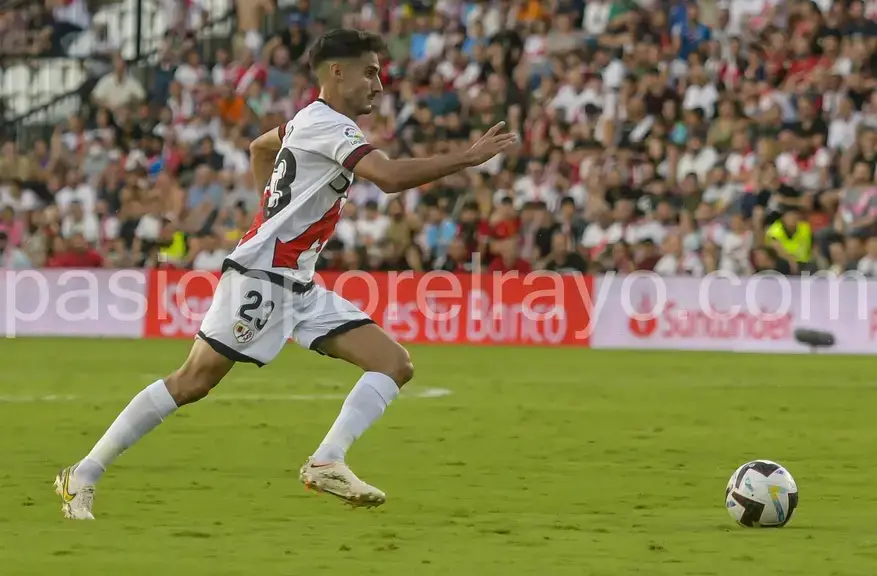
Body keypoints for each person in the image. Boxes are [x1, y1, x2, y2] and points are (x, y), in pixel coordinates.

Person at [54, 28, 517, 520]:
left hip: (298, 283)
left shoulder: (305, 120)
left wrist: (268, 216)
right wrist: (467, 157)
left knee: (394, 363)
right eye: (370, 72)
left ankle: (327, 461)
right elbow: (389, 178)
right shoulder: (330, 126)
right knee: (192, 382)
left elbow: (259, 147)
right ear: (337, 73)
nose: (379, 85)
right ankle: (81, 474)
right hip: (260, 278)